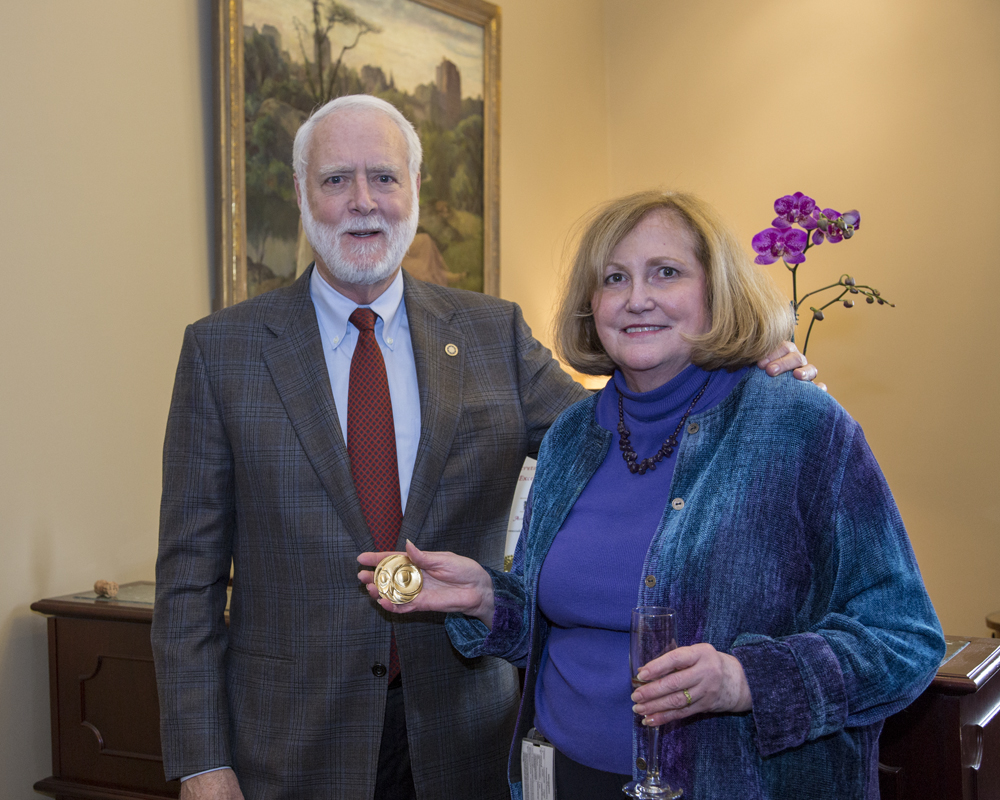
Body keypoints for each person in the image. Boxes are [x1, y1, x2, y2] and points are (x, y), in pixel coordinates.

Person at [151, 93, 815, 800]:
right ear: (301, 194)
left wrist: (744, 378)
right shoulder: (221, 352)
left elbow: (625, 441)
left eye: (384, 176)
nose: (362, 201)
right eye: (335, 179)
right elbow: (188, 585)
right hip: (287, 749)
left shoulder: (492, 332)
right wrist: (201, 762)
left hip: (464, 738)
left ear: (414, 191)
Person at [359, 190, 945, 800]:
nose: (637, 298)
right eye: (615, 278)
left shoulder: (798, 425)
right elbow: (555, 625)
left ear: (716, 293)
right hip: (563, 779)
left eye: (666, 272)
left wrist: (746, 679)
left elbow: (905, 637)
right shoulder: (571, 437)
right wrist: (486, 600)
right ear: (593, 307)